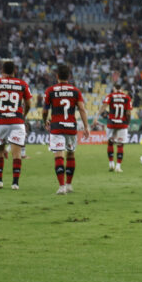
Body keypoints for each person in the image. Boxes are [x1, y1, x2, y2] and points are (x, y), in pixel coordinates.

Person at [41, 64, 90, 195]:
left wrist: (45, 121)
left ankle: (61, 186)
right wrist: (86, 127)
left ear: (57, 76)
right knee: (70, 154)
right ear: (69, 76)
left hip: (57, 127)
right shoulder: (75, 91)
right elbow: (82, 109)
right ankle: (69, 184)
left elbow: (45, 111)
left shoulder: (50, 91)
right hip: (71, 127)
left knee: (58, 155)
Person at [0, 60, 32, 190]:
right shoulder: (22, 84)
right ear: (14, 71)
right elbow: (29, 104)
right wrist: (23, 115)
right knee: (17, 154)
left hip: (1, 122)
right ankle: (15, 183)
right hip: (17, 121)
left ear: (2, 71)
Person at [102, 79, 132, 172]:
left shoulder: (110, 96)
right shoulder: (127, 98)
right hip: (122, 124)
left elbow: (104, 106)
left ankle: (111, 163)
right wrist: (128, 122)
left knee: (110, 143)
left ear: (114, 88)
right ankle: (118, 166)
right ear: (121, 89)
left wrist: (97, 116)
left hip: (112, 123)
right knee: (120, 145)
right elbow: (128, 113)